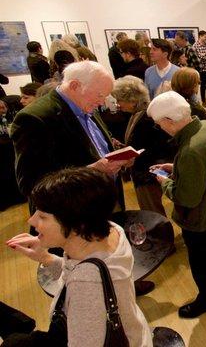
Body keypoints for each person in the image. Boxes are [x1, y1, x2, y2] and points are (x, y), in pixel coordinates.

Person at [4, 167, 152, 346]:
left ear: (77, 225)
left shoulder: (86, 285)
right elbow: (97, 275)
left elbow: (89, 283)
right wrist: (46, 258)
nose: (32, 221)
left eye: (42, 216)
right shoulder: (112, 230)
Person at [147, 91, 206, 318]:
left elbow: (187, 198)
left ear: (168, 121)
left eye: (158, 124)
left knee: (200, 259)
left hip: (198, 216)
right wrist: (176, 169)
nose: (160, 128)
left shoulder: (190, 150)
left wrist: (164, 182)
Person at [10, 61, 130, 213]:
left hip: (105, 202)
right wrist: (91, 171)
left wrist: (120, 154)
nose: (101, 102)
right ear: (75, 86)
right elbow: (31, 184)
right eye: (100, 95)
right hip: (73, 214)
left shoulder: (86, 105)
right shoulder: (34, 118)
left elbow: (94, 144)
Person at [110, 76, 175, 217]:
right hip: (146, 172)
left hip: (148, 174)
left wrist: (130, 153)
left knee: (152, 213)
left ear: (132, 100)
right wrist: (124, 146)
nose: (118, 104)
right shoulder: (139, 114)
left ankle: (160, 238)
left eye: (120, 100)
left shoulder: (147, 117)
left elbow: (157, 148)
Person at [193, 30, 206, 107]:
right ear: (200, 36)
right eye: (205, 36)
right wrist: (204, 56)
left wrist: (204, 56)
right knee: (203, 86)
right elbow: (198, 58)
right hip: (201, 69)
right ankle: (204, 101)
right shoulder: (195, 46)